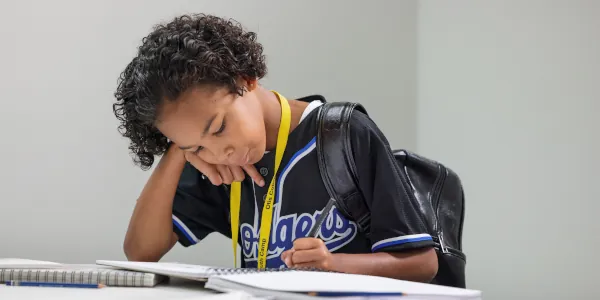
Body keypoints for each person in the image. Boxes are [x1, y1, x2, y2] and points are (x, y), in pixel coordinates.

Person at [113, 13, 438, 282]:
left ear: (245, 79)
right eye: (195, 147)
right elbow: (141, 252)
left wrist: (333, 265)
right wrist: (177, 152)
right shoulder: (219, 166)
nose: (217, 152)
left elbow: (423, 264)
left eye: (219, 128)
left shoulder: (343, 133)